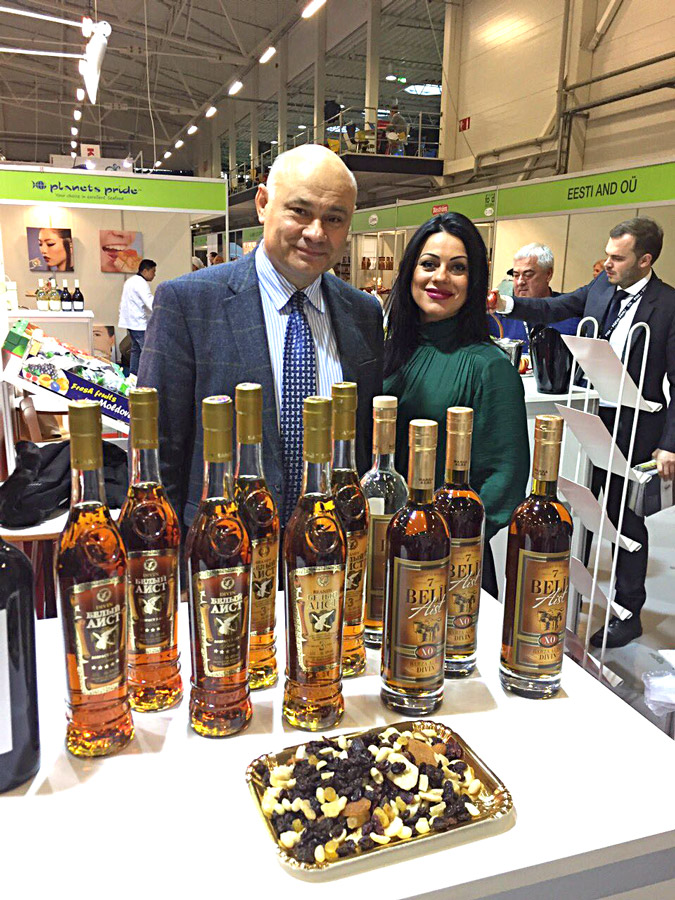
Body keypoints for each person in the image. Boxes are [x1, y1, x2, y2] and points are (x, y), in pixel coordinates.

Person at [138, 145, 383, 530]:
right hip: (224, 548)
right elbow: (157, 451)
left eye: (334, 218)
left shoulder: (363, 313)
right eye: (299, 211)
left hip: (331, 548)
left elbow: (362, 445)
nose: (316, 233)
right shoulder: (188, 303)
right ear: (263, 204)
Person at [491, 217, 675, 646]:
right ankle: (568, 594)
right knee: (581, 507)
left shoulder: (668, 305)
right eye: (607, 255)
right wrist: (505, 305)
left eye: (617, 258)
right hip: (590, 416)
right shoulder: (600, 289)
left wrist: (670, 445)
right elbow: (553, 309)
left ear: (644, 260)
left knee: (626, 520)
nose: (606, 264)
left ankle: (627, 612)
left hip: (637, 427)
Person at [383, 212, 530, 598]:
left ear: (475, 281)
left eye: (458, 268)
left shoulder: (490, 368)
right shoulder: (389, 352)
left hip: (445, 566)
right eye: (429, 264)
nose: (441, 277)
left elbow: (504, 481)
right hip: (380, 549)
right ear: (410, 271)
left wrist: (436, 540)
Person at [488, 243, 580, 352]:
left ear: (548, 274)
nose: (520, 282)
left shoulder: (570, 312)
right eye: (516, 275)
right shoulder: (498, 314)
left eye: (528, 274)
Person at [118, 258, 157, 376]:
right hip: (139, 324)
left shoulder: (130, 281)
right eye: (153, 271)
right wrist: (161, 308)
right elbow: (149, 301)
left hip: (131, 322)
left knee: (136, 350)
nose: (154, 274)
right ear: (145, 271)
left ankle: (133, 375)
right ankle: (148, 377)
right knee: (147, 352)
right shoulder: (141, 283)